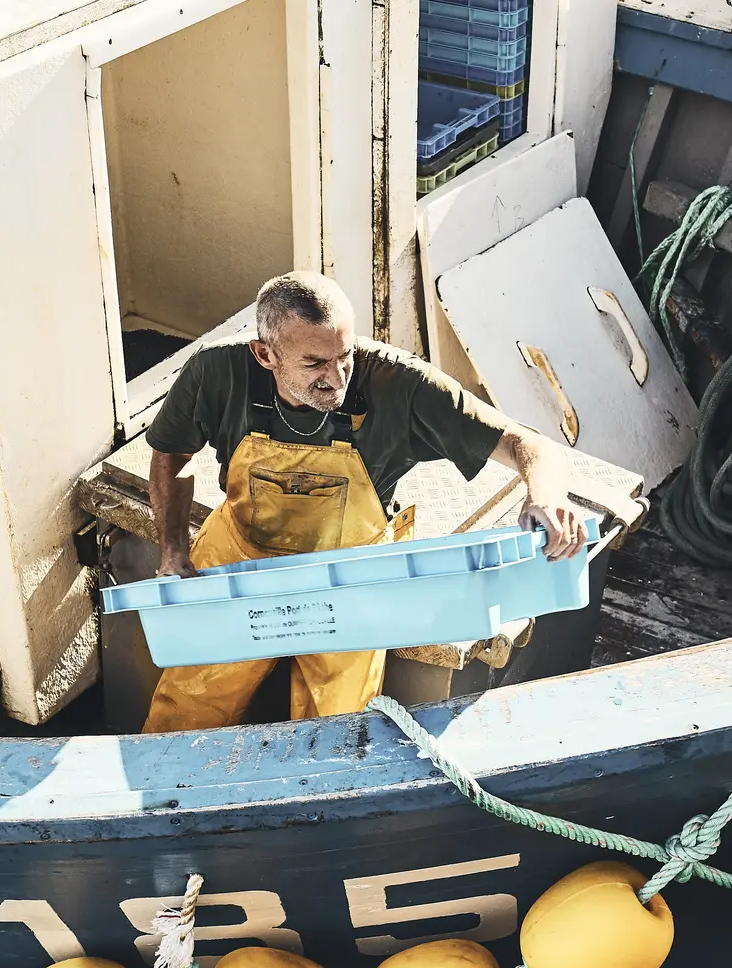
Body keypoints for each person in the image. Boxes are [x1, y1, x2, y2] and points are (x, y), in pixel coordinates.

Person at [140, 271, 585, 733]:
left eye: (345, 355)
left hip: (350, 576)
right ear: (265, 354)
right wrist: (172, 551)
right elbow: (171, 453)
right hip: (241, 555)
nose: (336, 378)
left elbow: (526, 444)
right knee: (188, 705)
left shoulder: (399, 382)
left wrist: (546, 496)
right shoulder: (216, 373)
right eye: (314, 363)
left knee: (337, 726)